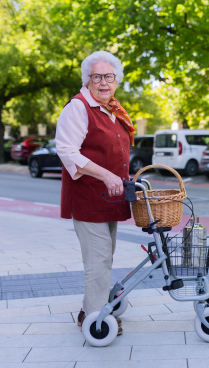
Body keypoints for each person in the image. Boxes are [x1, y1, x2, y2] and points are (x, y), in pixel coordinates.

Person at [55, 50, 136, 336]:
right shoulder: (78, 108)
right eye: (97, 77)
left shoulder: (112, 110)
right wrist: (106, 174)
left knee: (103, 258)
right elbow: (66, 151)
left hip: (109, 198)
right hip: (89, 197)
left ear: (117, 81)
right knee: (98, 259)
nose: (103, 82)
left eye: (109, 77)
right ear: (87, 80)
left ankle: (88, 310)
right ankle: (96, 320)